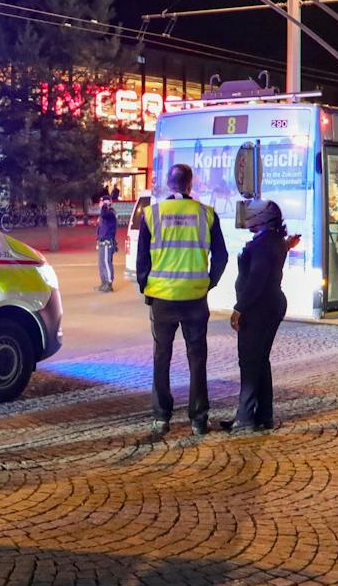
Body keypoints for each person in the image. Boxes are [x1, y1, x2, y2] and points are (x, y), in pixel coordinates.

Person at [136, 163, 228, 434]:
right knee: (197, 357)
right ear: (190, 185)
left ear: (169, 183)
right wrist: (208, 283)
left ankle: (161, 417)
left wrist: (147, 287)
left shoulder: (152, 214)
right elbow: (221, 257)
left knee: (161, 355)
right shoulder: (206, 214)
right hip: (194, 298)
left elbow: (143, 259)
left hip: (162, 298)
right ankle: (198, 419)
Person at [223, 200, 300, 433]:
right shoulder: (272, 241)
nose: (248, 220)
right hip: (269, 306)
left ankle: (245, 418)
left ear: (262, 218)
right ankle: (263, 415)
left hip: (259, 309)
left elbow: (256, 281)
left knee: (249, 363)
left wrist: (239, 308)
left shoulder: (264, 245)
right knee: (260, 361)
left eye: (252, 216)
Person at [95, 196, 119, 292]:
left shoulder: (110, 213)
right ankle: (103, 283)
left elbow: (104, 214)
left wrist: (105, 205)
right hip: (102, 242)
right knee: (101, 264)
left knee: (106, 263)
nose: (100, 204)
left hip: (107, 242)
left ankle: (109, 284)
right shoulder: (104, 214)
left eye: (101, 202)